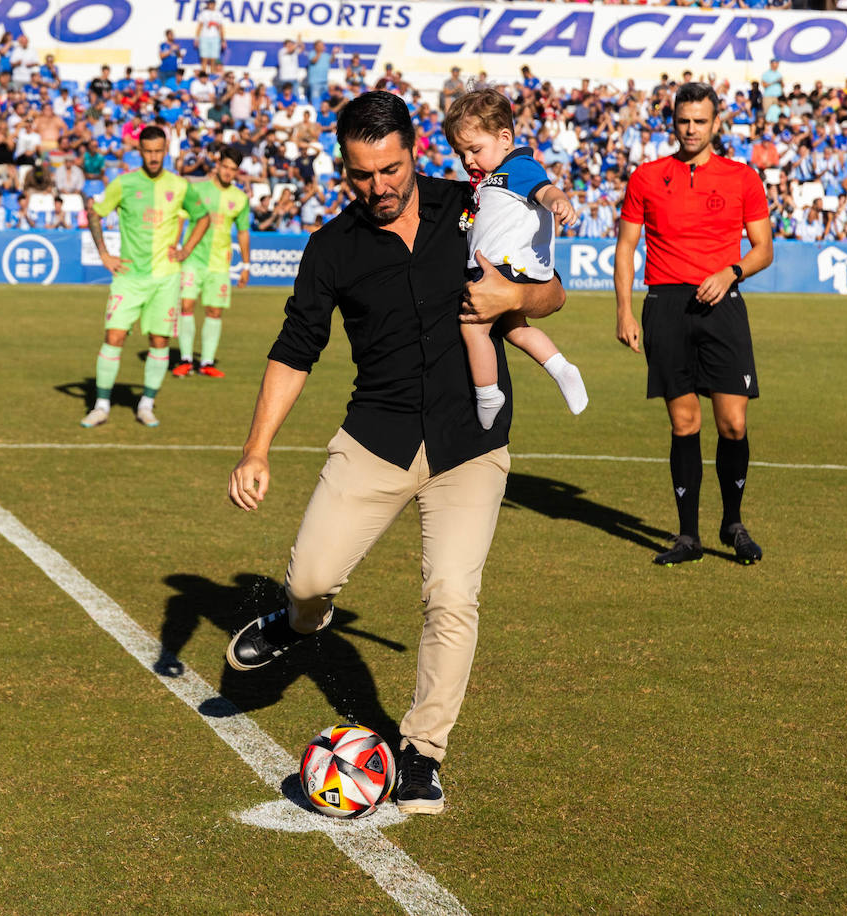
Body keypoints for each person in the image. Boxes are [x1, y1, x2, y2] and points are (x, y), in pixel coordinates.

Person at [225, 91, 566, 815]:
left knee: (452, 596)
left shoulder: (472, 205)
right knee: (312, 581)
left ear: (415, 151)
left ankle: (422, 754)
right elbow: (295, 349)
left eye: (391, 169)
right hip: (374, 438)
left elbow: (550, 292)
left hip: (470, 445)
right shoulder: (332, 247)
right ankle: (293, 623)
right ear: (342, 169)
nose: (378, 187)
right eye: (361, 174)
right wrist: (256, 449)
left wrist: (514, 299)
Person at [613, 83, 773, 566]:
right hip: (665, 306)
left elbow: (764, 249)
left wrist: (731, 271)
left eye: (700, 121)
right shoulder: (645, 177)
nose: (691, 129)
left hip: (722, 303)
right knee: (684, 423)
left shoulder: (742, 177)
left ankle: (733, 522)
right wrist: (623, 308)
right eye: (684, 120)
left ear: (716, 124)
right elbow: (625, 248)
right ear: (673, 121)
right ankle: (688, 537)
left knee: (734, 423)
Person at [443, 89, 588, 428]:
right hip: (507, 268)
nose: (468, 161)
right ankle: (561, 368)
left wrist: (559, 201)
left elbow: (544, 188)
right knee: (515, 329)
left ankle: (488, 393)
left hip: (507, 267)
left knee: (473, 326)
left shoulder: (517, 166)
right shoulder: (487, 181)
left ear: (504, 138)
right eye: (461, 153)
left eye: (475, 149)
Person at [83, 125, 210, 428]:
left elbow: (202, 217)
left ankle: (147, 404)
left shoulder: (179, 186)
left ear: (165, 150)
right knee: (113, 336)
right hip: (129, 277)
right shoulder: (124, 183)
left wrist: (185, 250)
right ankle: (101, 405)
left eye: (158, 151)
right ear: (139, 151)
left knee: (159, 340)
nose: (153, 157)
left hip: (166, 278)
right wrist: (104, 254)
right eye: (148, 151)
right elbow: (94, 213)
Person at [173, 148, 250, 379]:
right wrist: (175, 246)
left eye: (233, 170)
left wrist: (246, 265)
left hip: (219, 263)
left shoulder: (240, 198)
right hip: (192, 259)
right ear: (217, 165)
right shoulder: (198, 189)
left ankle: (206, 362)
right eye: (225, 167)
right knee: (186, 305)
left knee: (214, 311)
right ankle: (186, 360)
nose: (228, 173)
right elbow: (180, 218)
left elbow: (243, 232)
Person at [196, 2, 225, 69]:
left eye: (212, 4)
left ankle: (212, 75)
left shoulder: (219, 14)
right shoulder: (203, 13)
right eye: (209, 4)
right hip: (204, 37)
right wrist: (197, 38)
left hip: (215, 37)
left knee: (213, 59)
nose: (210, 5)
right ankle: (203, 75)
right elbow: (200, 26)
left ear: (214, 4)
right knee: (204, 58)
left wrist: (223, 39)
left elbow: (221, 27)